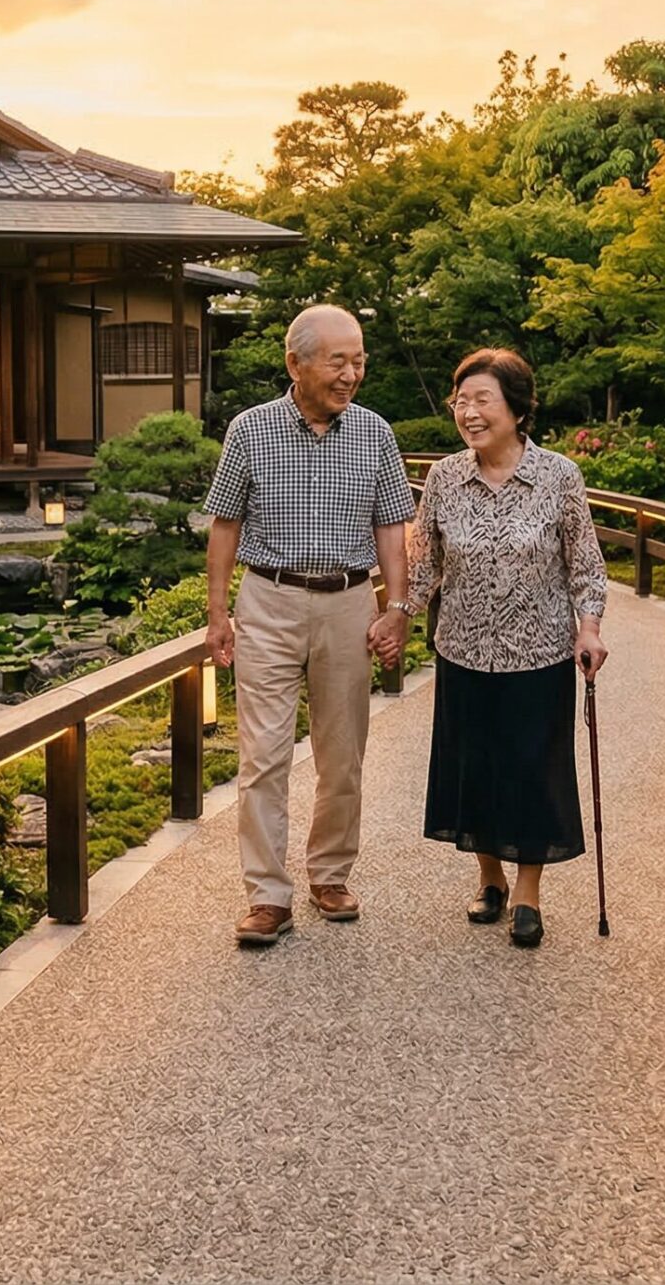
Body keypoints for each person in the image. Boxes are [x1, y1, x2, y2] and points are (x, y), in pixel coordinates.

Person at [203, 304, 417, 948]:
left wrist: (397, 607)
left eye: (358, 361)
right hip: (268, 601)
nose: (351, 373)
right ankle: (267, 895)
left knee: (342, 753)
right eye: (337, 361)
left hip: (349, 602)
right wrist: (218, 612)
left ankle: (329, 874)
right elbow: (225, 524)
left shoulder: (375, 433)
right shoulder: (251, 429)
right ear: (294, 364)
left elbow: (392, 528)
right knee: (263, 756)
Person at [402, 348, 607, 948]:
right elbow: (423, 567)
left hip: (538, 655)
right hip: (462, 651)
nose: (468, 412)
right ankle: (488, 878)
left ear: (516, 408)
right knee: (477, 767)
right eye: (460, 401)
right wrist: (390, 618)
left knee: (531, 769)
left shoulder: (559, 477)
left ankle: (527, 892)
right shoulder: (443, 477)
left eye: (481, 400)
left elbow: (585, 567)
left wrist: (589, 628)